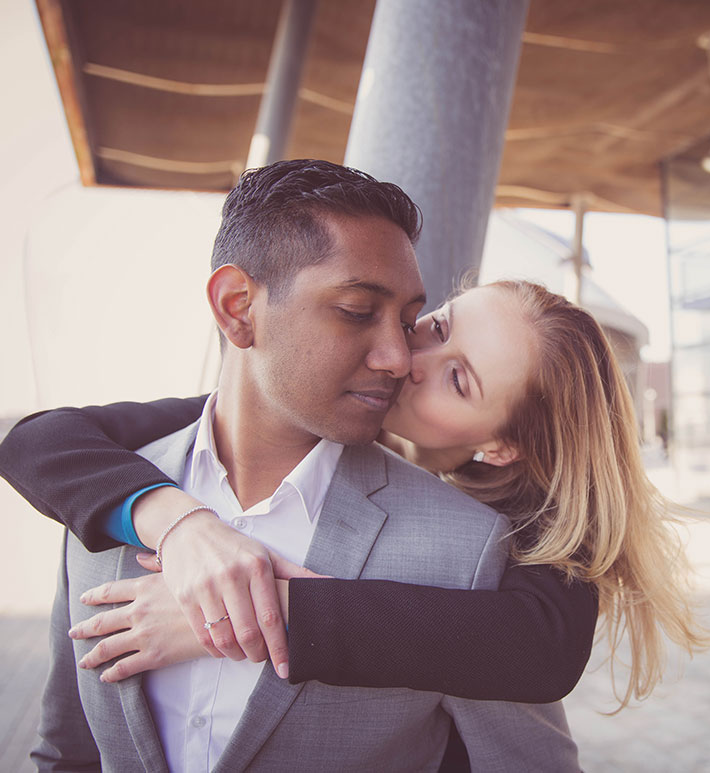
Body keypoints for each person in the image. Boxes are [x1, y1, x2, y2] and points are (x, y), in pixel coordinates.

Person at [25, 159, 579, 771]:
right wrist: (179, 523)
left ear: (499, 443)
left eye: (405, 320)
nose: (401, 356)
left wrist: (268, 617)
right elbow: (65, 750)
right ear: (239, 307)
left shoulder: (474, 553)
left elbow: (539, 672)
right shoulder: (102, 494)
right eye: (359, 310)